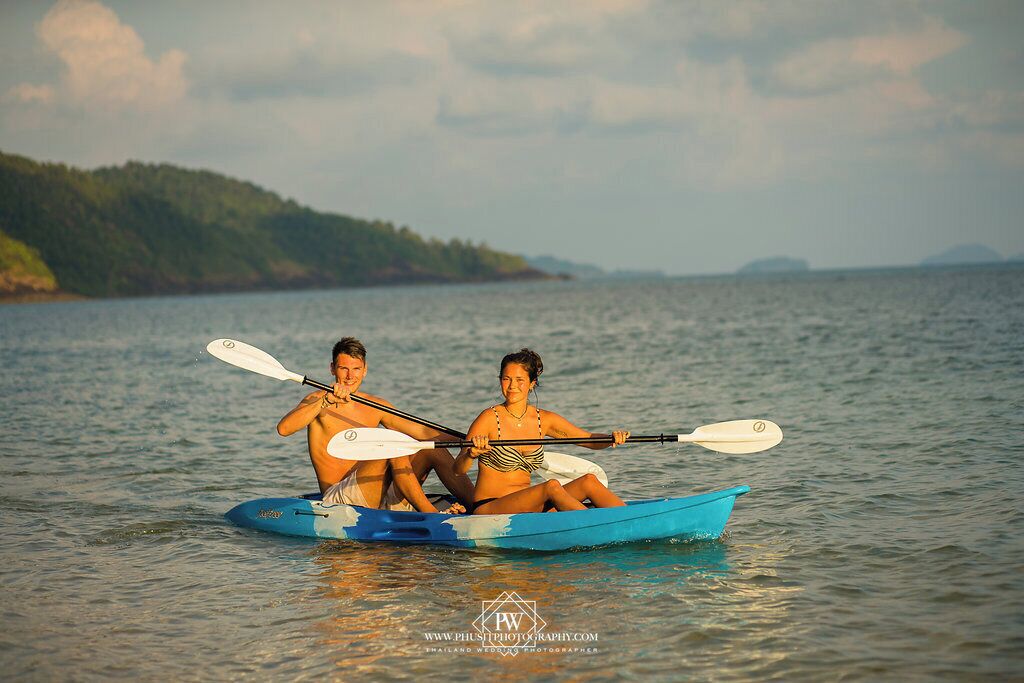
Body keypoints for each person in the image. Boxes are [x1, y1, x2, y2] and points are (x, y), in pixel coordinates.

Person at [277, 337, 473, 514]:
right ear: (332, 369)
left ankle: (479, 506)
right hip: (339, 498)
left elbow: (423, 431)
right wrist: (325, 402)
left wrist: (469, 440)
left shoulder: (375, 404)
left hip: (378, 494)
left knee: (430, 449)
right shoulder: (317, 399)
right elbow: (284, 429)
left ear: (365, 370)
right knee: (392, 447)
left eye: (356, 369)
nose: (349, 376)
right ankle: (430, 515)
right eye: (343, 368)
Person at [455, 348, 629, 514]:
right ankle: (597, 526)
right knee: (551, 486)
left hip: (530, 506)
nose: (512, 386)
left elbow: (589, 440)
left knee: (589, 481)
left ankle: (630, 519)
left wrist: (611, 438)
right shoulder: (488, 418)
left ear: (532, 383)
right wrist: (471, 454)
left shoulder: (543, 420)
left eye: (519, 380)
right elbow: (457, 469)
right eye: (506, 379)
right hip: (491, 506)